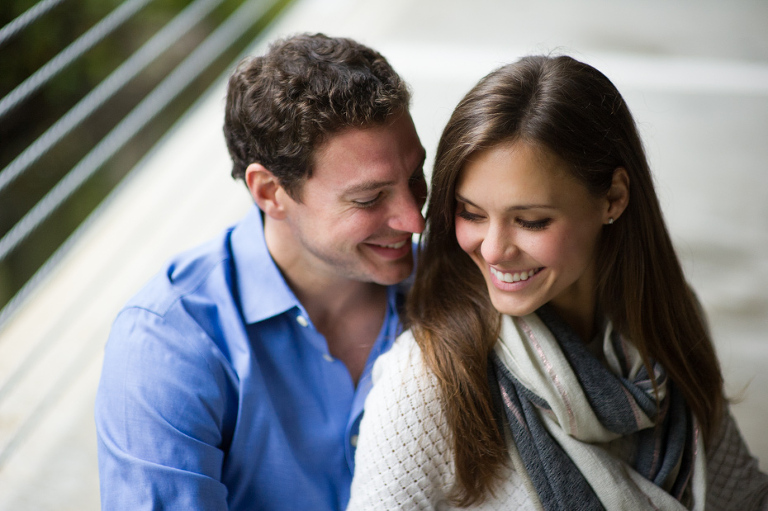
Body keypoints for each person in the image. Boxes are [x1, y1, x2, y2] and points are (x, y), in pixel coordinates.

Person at [347, 55, 768, 510]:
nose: (492, 250)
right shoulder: (425, 381)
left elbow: (741, 496)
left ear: (613, 198)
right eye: (471, 214)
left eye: (529, 221)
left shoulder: (667, 316)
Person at [95, 33, 427, 510]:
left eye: (416, 177)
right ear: (270, 192)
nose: (415, 220)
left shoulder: (454, 278)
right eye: (369, 198)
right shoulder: (167, 343)